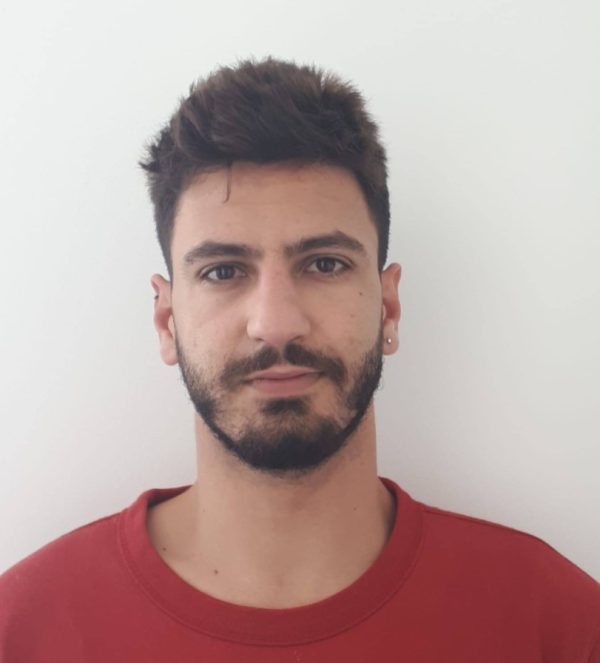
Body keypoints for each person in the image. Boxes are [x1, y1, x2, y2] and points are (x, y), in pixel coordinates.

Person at [0, 56, 598, 662]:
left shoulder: (555, 624)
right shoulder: (23, 629)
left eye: (325, 264)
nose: (276, 323)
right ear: (166, 320)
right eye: (223, 271)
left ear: (389, 308)